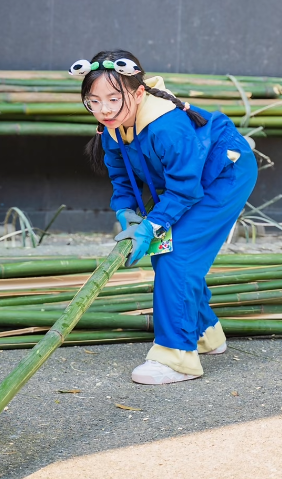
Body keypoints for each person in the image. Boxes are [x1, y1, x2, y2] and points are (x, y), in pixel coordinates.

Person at [69, 50, 258, 385]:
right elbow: (123, 178)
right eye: (94, 101)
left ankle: (177, 357)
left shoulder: (166, 127)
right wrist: (127, 214)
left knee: (176, 255)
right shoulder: (113, 126)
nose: (104, 109)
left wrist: (150, 227)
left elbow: (185, 190)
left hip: (225, 173)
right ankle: (204, 334)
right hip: (193, 182)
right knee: (170, 253)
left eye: (114, 98)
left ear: (139, 93)